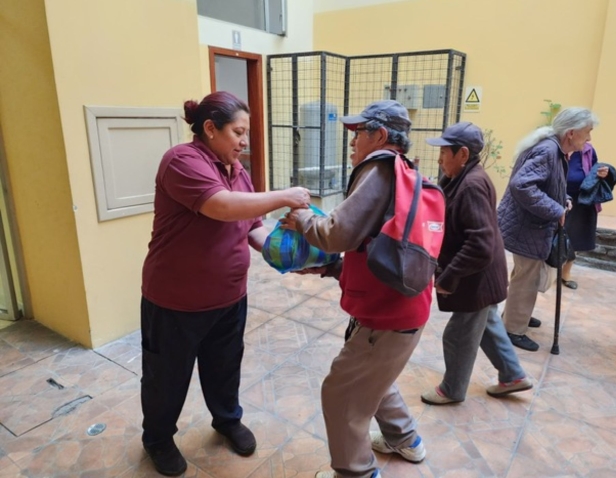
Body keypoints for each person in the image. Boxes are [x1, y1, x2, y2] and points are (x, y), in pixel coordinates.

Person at [140, 91, 310, 476]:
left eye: (246, 132)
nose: (244, 141)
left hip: (229, 297)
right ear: (210, 129)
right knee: (167, 376)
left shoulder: (238, 171)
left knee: (224, 366)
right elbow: (221, 207)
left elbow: (251, 226)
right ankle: (158, 438)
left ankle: (227, 419)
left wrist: (284, 258)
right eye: (238, 132)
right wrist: (285, 196)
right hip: (175, 301)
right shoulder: (182, 161)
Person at [281, 100, 428, 478]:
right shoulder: (405, 171)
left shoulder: (378, 169)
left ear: (379, 136)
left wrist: (301, 219)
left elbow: (338, 232)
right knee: (375, 378)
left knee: (341, 393)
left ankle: (357, 472)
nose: (352, 142)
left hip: (388, 316)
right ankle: (405, 439)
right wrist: (332, 268)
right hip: (404, 306)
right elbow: (380, 247)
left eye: (358, 133)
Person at [420, 122, 532, 406]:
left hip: (477, 277)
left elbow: (480, 243)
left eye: (445, 152)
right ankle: (513, 375)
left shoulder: (471, 185)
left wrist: (449, 277)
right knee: (488, 324)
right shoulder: (462, 177)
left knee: (457, 335)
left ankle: (452, 389)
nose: (440, 158)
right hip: (483, 274)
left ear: (463, 154)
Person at [498, 107, 599, 352]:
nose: (589, 139)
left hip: (529, 225)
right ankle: (513, 328)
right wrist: (556, 210)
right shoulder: (548, 150)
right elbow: (522, 186)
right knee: (527, 278)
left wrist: (561, 197)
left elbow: (547, 183)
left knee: (525, 275)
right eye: (587, 133)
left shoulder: (555, 149)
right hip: (528, 227)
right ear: (571, 133)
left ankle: (516, 315)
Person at [561, 143, 609, 289]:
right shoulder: (558, 147)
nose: (588, 137)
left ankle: (565, 273)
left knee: (574, 237)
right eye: (586, 131)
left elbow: (594, 170)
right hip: (558, 196)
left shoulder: (588, 149)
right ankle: (548, 270)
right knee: (555, 235)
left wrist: (602, 173)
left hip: (582, 199)